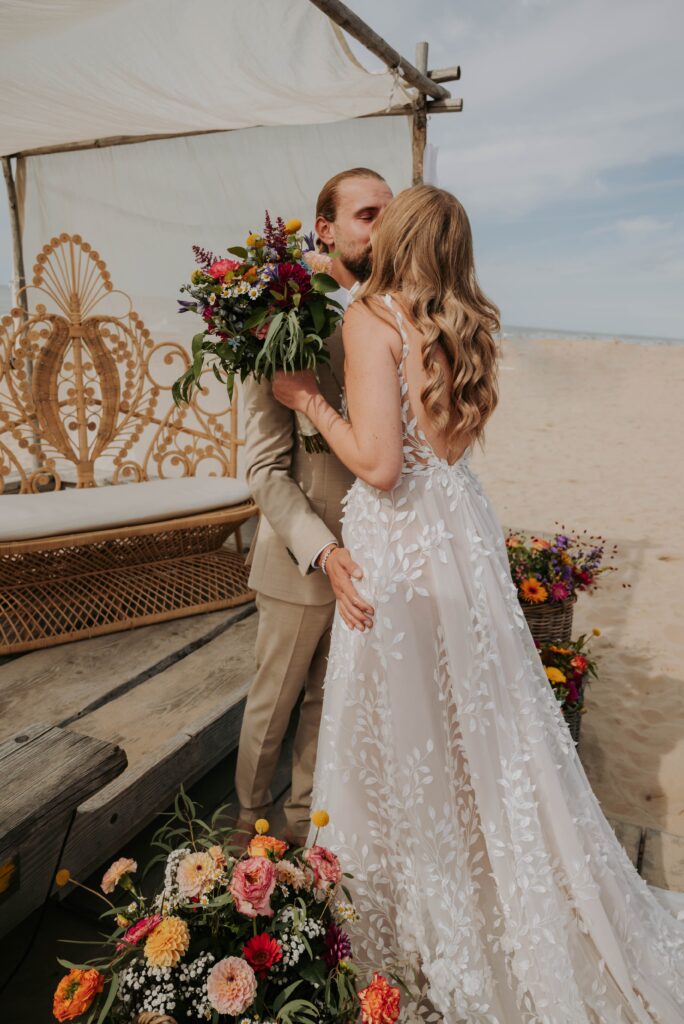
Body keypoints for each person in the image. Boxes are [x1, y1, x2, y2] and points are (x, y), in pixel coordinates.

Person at [272, 185, 684, 1022]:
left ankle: (416, 933)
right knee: (478, 733)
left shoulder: (368, 323)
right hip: (458, 536)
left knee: (404, 736)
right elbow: (440, 449)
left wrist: (309, 402)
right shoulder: (455, 323)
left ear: (398, 235)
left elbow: (381, 468)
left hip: (400, 547)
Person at [234, 167, 392, 847]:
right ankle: (245, 822)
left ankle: (305, 825)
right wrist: (323, 550)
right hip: (302, 559)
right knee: (273, 706)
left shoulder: (389, 314)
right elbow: (263, 468)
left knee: (333, 705)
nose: (382, 227)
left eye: (390, 212)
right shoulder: (271, 316)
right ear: (324, 228)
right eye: (367, 214)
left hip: (375, 555)